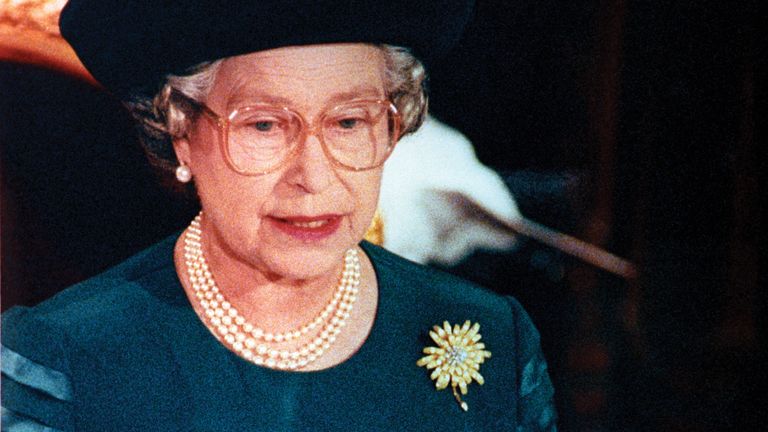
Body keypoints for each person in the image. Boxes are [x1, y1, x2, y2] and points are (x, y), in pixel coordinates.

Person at [0, 0, 556, 430]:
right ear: (182, 135)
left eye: (348, 123)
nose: (313, 176)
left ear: (392, 128)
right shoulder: (62, 358)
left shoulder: (494, 339)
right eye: (263, 125)